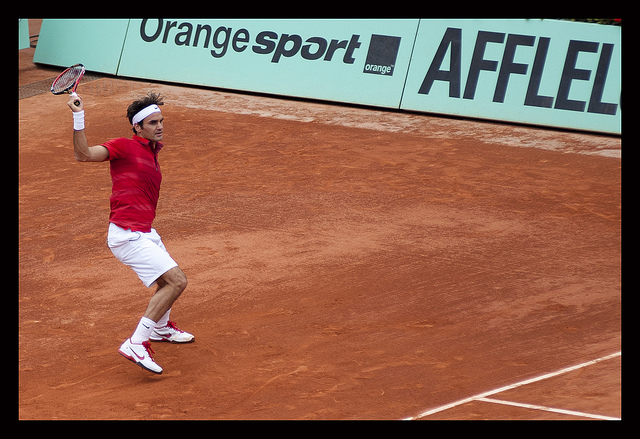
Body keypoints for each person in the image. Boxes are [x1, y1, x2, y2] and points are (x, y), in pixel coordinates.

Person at [68, 91, 194, 374]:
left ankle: (160, 328)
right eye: (152, 123)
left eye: (161, 121)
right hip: (127, 235)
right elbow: (83, 155)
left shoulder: (152, 152)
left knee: (165, 281)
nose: (159, 126)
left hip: (146, 232)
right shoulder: (123, 146)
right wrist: (78, 116)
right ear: (137, 127)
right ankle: (137, 342)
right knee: (176, 281)